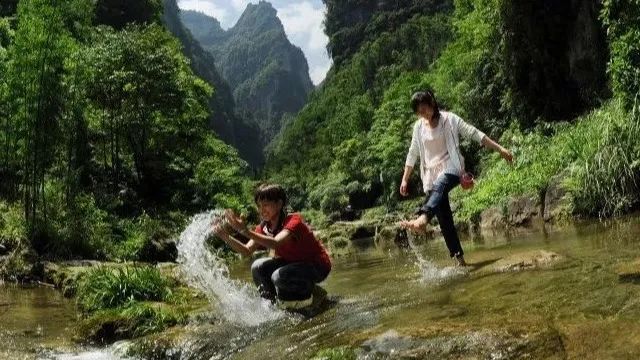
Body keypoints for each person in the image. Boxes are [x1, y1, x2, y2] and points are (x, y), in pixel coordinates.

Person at [399, 91, 514, 266]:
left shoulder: (449, 119)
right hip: (430, 175)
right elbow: (412, 153)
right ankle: (460, 260)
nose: (424, 115)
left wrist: (500, 149)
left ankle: (423, 218)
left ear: (432, 103)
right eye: (419, 113)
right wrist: (405, 179)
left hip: (451, 167)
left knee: (441, 184)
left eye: (425, 110)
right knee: (445, 220)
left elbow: (475, 133)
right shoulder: (418, 127)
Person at [212, 184, 332, 308]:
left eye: (265, 205)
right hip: (292, 265)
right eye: (259, 206)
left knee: (278, 276)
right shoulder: (264, 226)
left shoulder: (293, 220)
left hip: (317, 266)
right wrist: (225, 236)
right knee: (257, 267)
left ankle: (311, 293)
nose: (261, 209)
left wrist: (245, 231)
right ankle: (272, 307)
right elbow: (246, 251)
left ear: (279, 204)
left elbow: (275, 242)